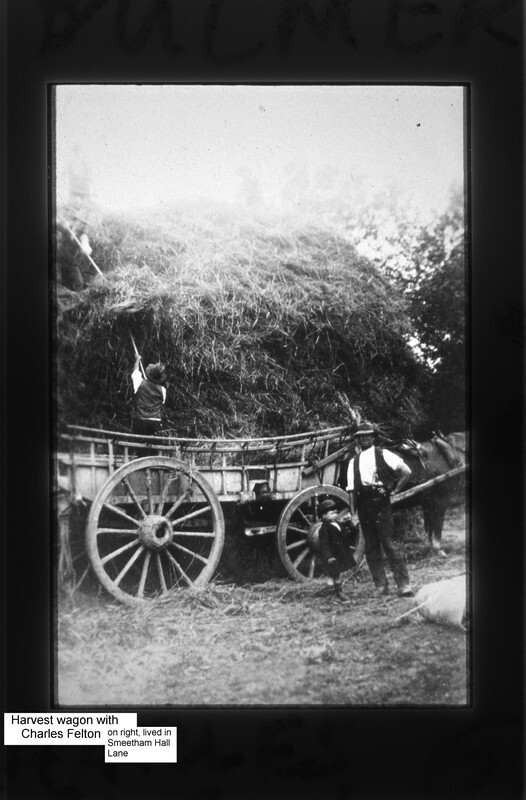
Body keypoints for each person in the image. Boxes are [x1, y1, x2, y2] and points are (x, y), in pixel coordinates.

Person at [347, 422, 414, 598]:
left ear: (373, 437)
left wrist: (394, 490)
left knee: (390, 544)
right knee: (371, 547)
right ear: (357, 439)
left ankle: (403, 585)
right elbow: (352, 491)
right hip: (364, 506)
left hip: (381, 506)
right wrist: (353, 514)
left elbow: (406, 471)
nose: (364, 439)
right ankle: (381, 586)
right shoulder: (353, 462)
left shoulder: (384, 454)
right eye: (361, 436)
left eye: (367, 435)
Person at [318, 498, 352, 603]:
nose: (335, 515)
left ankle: (335, 594)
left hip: (338, 556)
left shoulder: (338, 524)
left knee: (337, 574)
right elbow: (325, 545)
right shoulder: (324, 529)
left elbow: (344, 535)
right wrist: (329, 556)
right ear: (324, 515)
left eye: (336, 513)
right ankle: (336, 594)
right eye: (332, 513)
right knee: (333, 576)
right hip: (331, 557)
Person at [131, 354, 167, 436]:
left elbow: (135, 372)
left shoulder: (139, 382)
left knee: (138, 442)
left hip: (140, 420)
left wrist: (137, 360)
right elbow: (162, 403)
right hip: (156, 422)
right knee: (153, 443)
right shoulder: (163, 390)